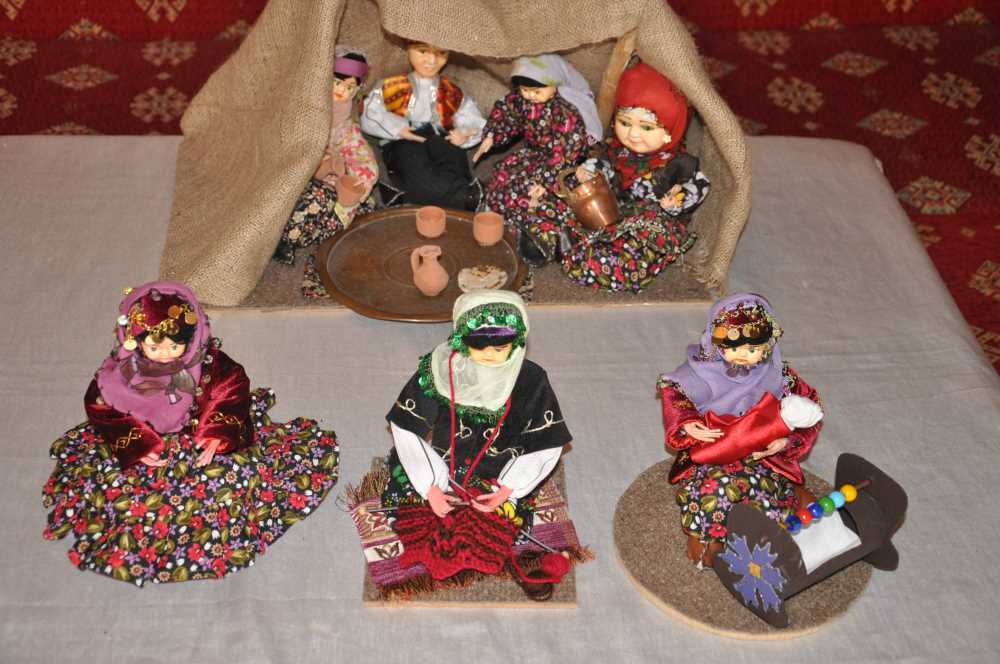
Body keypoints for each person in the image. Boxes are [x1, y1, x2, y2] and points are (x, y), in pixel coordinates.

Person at [42, 281, 339, 585]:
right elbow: (100, 404)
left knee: (226, 485)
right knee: (129, 501)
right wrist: (137, 444)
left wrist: (216, 433)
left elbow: (232, 386)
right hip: (142, 439)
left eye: (175, 347)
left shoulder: (206, 360)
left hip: (200, 433)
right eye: (154, 347)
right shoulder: (120, 373)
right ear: (134, 340)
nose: (165, 356)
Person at [379, 290, 571, 589]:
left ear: (518, 342)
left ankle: (476, 535)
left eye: (501, 347)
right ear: (460, 340)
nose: (490, 355)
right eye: (478, 346)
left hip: (499, 471)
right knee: (408, 497)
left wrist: (508, 489)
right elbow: (405, 426)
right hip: (444, 462)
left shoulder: (531, 380)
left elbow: (547, 440)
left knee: (502, 522)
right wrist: (430, 485)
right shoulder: (439, 369)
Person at [657, 293, 823, 567]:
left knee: (764, 494)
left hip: (762, 454)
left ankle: (780, 513)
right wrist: (686, 420)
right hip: (715, 450)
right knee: (715, 489)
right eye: (735, 348)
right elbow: (674, 391)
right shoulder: (700, 371)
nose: (744, 355)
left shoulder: (779, 376)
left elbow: (810, 410)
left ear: (768, 346)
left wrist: (787, 440)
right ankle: (707, 535)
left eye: (753, 349)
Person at [562, 62, 711, 292]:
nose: (633, 134)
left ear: (671, 130)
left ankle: (614, 267)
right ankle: (589, 256)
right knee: (576, 219)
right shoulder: (617, 152)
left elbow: (700, 185)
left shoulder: (678, 163)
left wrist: (677, 200)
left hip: (652, 225)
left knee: (632, 249)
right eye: (624, 123)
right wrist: (589, 172)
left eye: (647, 127)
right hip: (615, 213)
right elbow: (604, 166)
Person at [473, 53, 601, 266]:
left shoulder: (567, 114)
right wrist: (492, 135)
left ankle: (542, 237)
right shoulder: (522, 100)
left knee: (543, 198)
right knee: (505, 176)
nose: (530, 95)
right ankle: (504, 219)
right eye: (525, 90)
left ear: (555, 86)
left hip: (559, 165)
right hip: (532, 155)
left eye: (536, 91)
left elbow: (566, 151)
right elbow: (507, 112)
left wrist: (545, 181)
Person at [274, 47, 379, 264]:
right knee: (319, 197)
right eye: (337, 82)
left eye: (349, 87)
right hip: (302, 180)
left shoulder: (345, 126)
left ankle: (314, 234)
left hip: (332, 181)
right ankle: (287, 239)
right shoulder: (305, 111)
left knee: (364, 204)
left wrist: (361, 176)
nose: (342, 91)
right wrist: (319, 163)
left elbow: (358, 152)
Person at [361, 42, 486, 210]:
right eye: (422, 51)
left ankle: (408, 196)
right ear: (408, 49)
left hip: (441, 137)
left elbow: (473, 118)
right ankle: (464, 198)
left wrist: (464, 133)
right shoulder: (391, 86)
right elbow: (370, 112)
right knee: (415, 168)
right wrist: (397, 128)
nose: (432, 60)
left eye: (441, 53)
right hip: (403, 140)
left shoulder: (450, 91)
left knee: (455, 158)